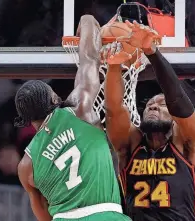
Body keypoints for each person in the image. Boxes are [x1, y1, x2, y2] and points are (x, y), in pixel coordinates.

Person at [16, 15, 131, 221]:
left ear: (25, 119)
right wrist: (86, 23)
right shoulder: (80, 107)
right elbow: (89, 59)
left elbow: (43, 215)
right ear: (54, 97)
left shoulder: (26, 165)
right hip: (105, 215)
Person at [101, 20, 195, 221]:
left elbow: (177, 100)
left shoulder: (187, 143)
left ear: (175, 119)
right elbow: (114, 110)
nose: (153, 106)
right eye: (149, 104)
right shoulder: (131, 144)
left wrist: (151, 51)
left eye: (161, 104)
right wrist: (114, 65)